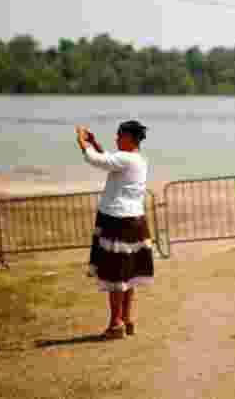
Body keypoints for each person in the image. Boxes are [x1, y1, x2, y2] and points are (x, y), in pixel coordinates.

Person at [76, 119, 153, 340]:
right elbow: (108, 159)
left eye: (119, 135)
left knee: (115, 275)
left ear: (129, 137)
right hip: (135, 219)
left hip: (117, 219)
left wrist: (81, 141)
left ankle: (115, 322)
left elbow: (96, 160)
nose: (116, 139)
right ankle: (126, 320)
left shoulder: (125, 158)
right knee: (128, 275)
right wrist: (95, 143)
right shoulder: (137, 159)